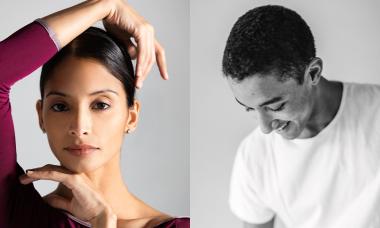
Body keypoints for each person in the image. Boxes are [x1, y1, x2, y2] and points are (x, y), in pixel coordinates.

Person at [0, 0, 189, 227]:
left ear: (132, 117)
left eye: (100, 105)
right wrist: (105, 6)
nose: (80, 127)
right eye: (60, 106)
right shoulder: (17, 214)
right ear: (41, 116)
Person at [222, 5, 380, 228]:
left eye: (275, 106)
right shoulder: (254, 156)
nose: (265, 128)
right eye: (250, 108)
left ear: (313, 73)